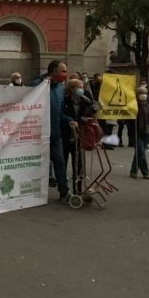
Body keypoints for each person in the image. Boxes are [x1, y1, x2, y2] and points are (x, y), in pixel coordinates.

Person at [29, 60, 70, 201]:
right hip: (38, 135)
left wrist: (69, 120)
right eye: (62, 71)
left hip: (55, 134)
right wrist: (42, 84)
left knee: (59, 162)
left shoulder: (60, 89)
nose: (65, 74)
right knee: (35, 164)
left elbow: (59, 112)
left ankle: (64, 192)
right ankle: (30, 194)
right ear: (53, 71)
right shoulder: (38, 85)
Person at [62, 78, 93, 194]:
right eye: (78, 87)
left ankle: (78, 190)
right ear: (71, 88)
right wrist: (68, 122)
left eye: (82, 87)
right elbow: (61, 115)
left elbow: (90, 115)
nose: (81, 89)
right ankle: (64, 190)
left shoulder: (86, 101)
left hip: (79, 136)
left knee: (78, 164)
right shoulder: (64, 101)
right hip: (65, 135)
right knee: (63, 163)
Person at [130, 86, 149, 179]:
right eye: (142, 93)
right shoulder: (134, 106)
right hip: (137, 132)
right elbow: (130, 121)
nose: (144, 95)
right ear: (137, 95)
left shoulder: (147, 105)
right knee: (141, 153)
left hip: (146, 133)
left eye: (145, 93)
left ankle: (133, 171)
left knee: (138, 153)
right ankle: (145, 172)